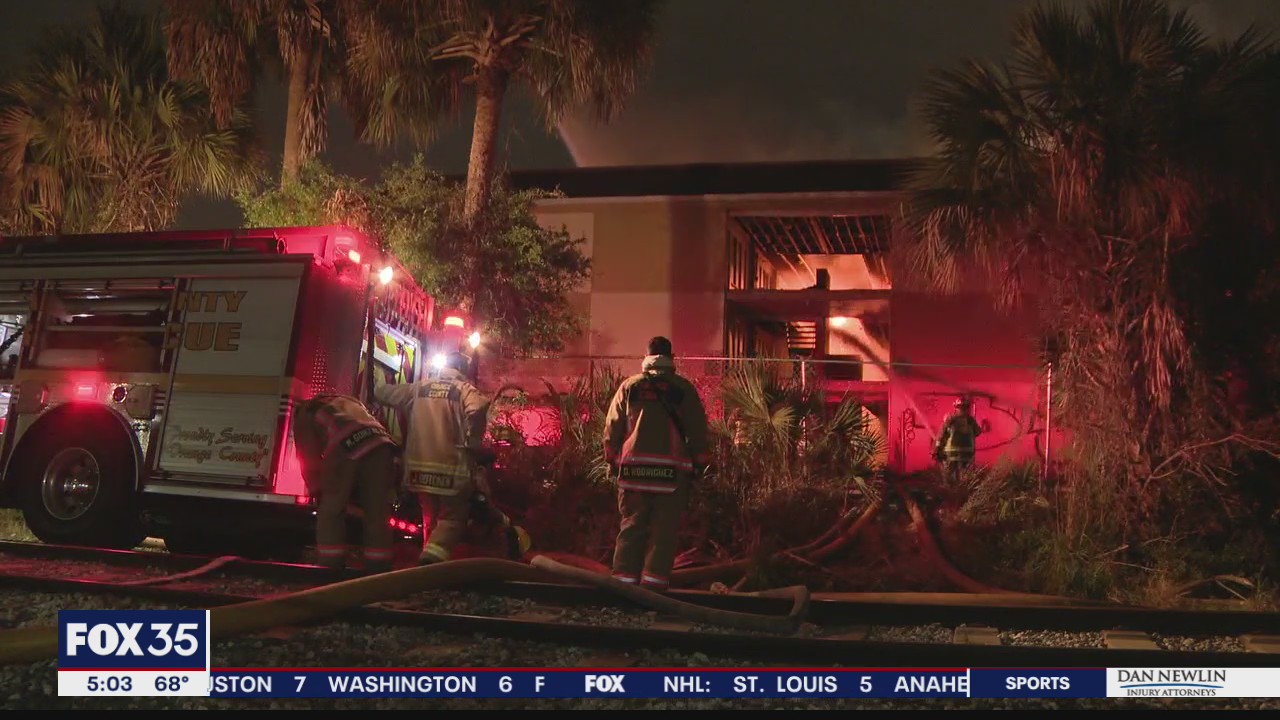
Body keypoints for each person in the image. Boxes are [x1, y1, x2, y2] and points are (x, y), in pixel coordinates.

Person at [603, 336, 710, 592]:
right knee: (664, 532)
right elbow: (697, 430)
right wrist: (700, 463)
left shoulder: (629, 386)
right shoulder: (683, 389)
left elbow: (612, 427)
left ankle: (623, 585)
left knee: (631, 527)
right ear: (672, 358)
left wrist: (611, 458)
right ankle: (653, 588)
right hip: (671, 476)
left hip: (633, 472)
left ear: (647, 357)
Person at [374, 350, 493, 565]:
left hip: (418, 471)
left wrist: (375, 377)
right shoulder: (464, 390)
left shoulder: (418, 388)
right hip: (451, 471)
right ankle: (429, 561)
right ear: (462, 369)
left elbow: (383, 394)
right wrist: (472, 440)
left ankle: (427, 568)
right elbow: (478, 408)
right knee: (452, 518)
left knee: (430, 518)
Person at [291, 393, 398, 575]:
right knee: (378, 513)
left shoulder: (304, 413)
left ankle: (329, 566)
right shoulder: (345, 402)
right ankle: (379, 568)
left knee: (331, 511)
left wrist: (316, 489)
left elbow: (308, 457)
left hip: (346, 443)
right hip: (382, 444)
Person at [934, 396, 983, 484]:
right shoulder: (970, 420)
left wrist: (937, 448)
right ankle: (963, 489)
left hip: (951, 454)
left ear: (955, 407)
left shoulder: (950, 419)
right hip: (967, 454)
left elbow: (941, 434)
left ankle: (951, 490)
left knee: (949, 477)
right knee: (965, 478)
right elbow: (978, 432)